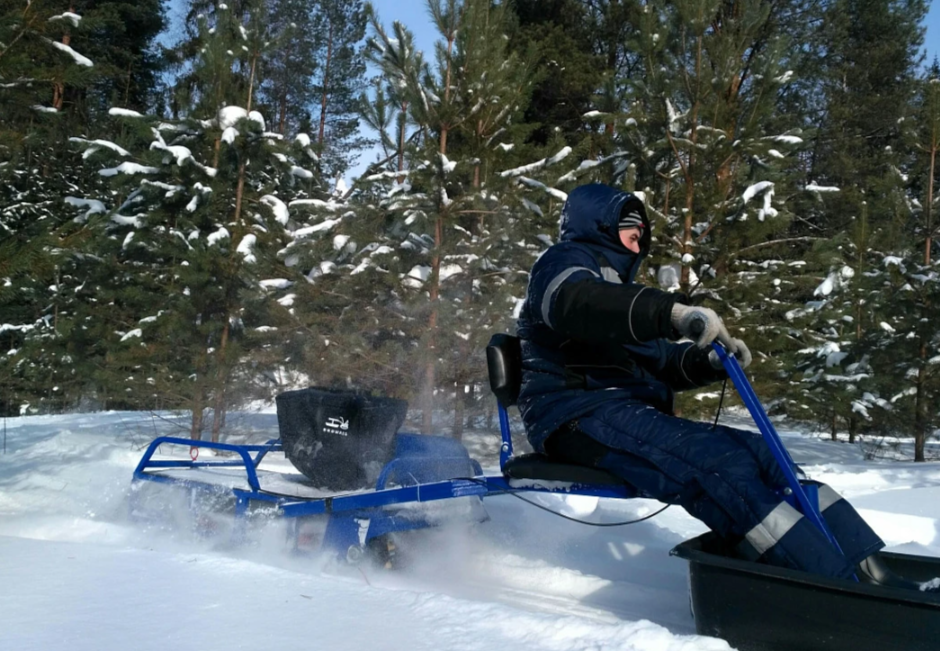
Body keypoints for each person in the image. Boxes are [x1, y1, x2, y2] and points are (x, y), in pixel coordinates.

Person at [515, 182, 917, 586]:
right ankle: (827, 587)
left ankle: (869, 569)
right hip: (575, 414)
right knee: (719, 464)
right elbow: (574, 302)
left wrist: (707, 361)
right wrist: (670, 313)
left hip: (619, 413)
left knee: (765, 456)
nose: (637, 249)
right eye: (632, 236)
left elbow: (663, 362)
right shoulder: (564, 264)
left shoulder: (620, 294)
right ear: (603, 227)